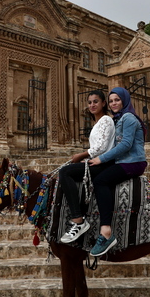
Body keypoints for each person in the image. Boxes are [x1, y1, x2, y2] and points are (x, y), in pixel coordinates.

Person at [87, 87, 147, 257]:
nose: (113, 103)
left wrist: (101, 159)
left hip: (133, 162)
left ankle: (106, 232)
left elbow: (125, 145)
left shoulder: (128, 118)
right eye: (111, 100)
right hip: (122, 161)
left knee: (101, 181)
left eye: (117, 100)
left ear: (125, 101)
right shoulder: (117, 119)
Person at [58, 90, 114, 244]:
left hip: (103, 163)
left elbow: (102, 147)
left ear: (103, 103)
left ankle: (78, 219)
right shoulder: (97, 123)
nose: (92, 105)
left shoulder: (106, 120)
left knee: (65, 173)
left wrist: (81, 155)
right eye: (89, 102)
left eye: (96, 101)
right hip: (94, 161)